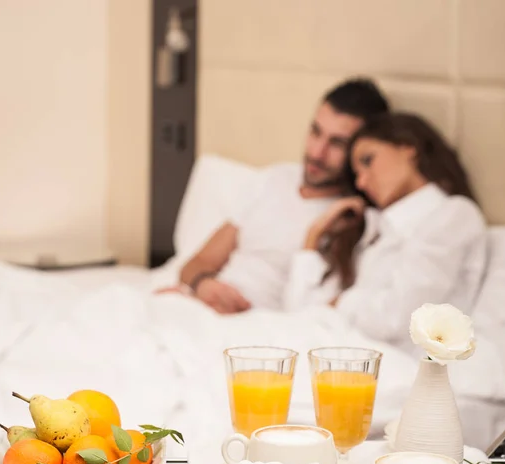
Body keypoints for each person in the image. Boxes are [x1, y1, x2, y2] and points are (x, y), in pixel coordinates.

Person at [168, 78, 389, 313]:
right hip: (205, 307)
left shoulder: (352, 219)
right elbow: (196, 263)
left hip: (259, 328)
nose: (317, 152)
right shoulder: (274, 178)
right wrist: (203, 285)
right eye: (315, 132)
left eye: (337, 144)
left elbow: (319, 313)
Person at [283, 113, 487, 348]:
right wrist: (313, 237)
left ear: (408, 148)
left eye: (368, 160)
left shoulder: (454, 215)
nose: (361, 183)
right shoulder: (375, 230)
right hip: (340, 349)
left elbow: (399, 315)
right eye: (357, 174)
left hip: (395, 363)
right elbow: (298, 311)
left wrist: (341, 303)